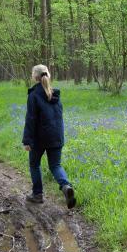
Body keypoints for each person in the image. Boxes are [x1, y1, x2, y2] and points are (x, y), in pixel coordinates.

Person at [22, 64, 76, 209]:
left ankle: (37, 194)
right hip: (56, 136)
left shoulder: (34, 95)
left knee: (34, 164)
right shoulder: (55, 95)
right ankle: (66, 186)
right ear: (48, 75)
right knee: (55, 165)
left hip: (39, 138)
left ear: (35, 77)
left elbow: (31, 119)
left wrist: (27, 140)